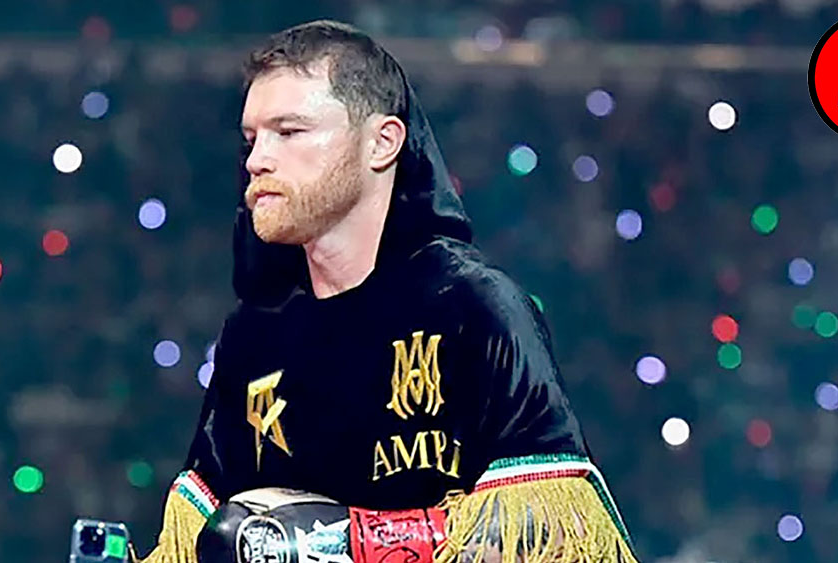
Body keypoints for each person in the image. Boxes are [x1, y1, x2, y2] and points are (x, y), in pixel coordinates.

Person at [134, 19, 638, 563]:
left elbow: (557, 532)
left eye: (290, 132)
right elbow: (198, 542)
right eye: (252, 140)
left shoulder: (471, 306)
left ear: (382, 143)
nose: (257, 160)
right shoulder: (255, 334)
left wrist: (348, 543)